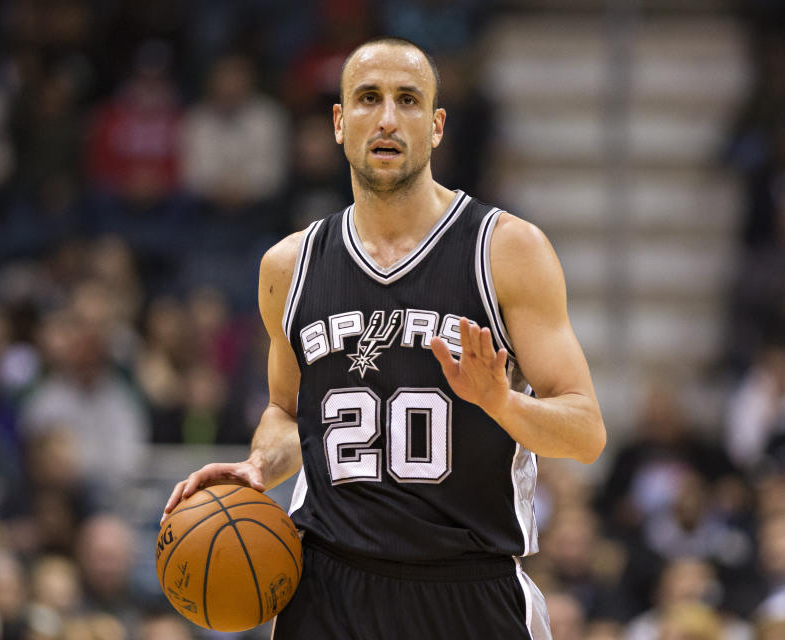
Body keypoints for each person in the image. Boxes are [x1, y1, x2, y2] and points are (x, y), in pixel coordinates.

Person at [162, 36, 606, 640]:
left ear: (437, 125)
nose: (389, 118)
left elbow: (585, 432)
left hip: (469, 590)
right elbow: (287, 412)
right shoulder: (288, 267)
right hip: (328, 587)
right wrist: (261, 465)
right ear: (340, 123)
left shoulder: (507, 250)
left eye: (408, 100)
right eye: (368, 99)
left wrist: (501, 402)